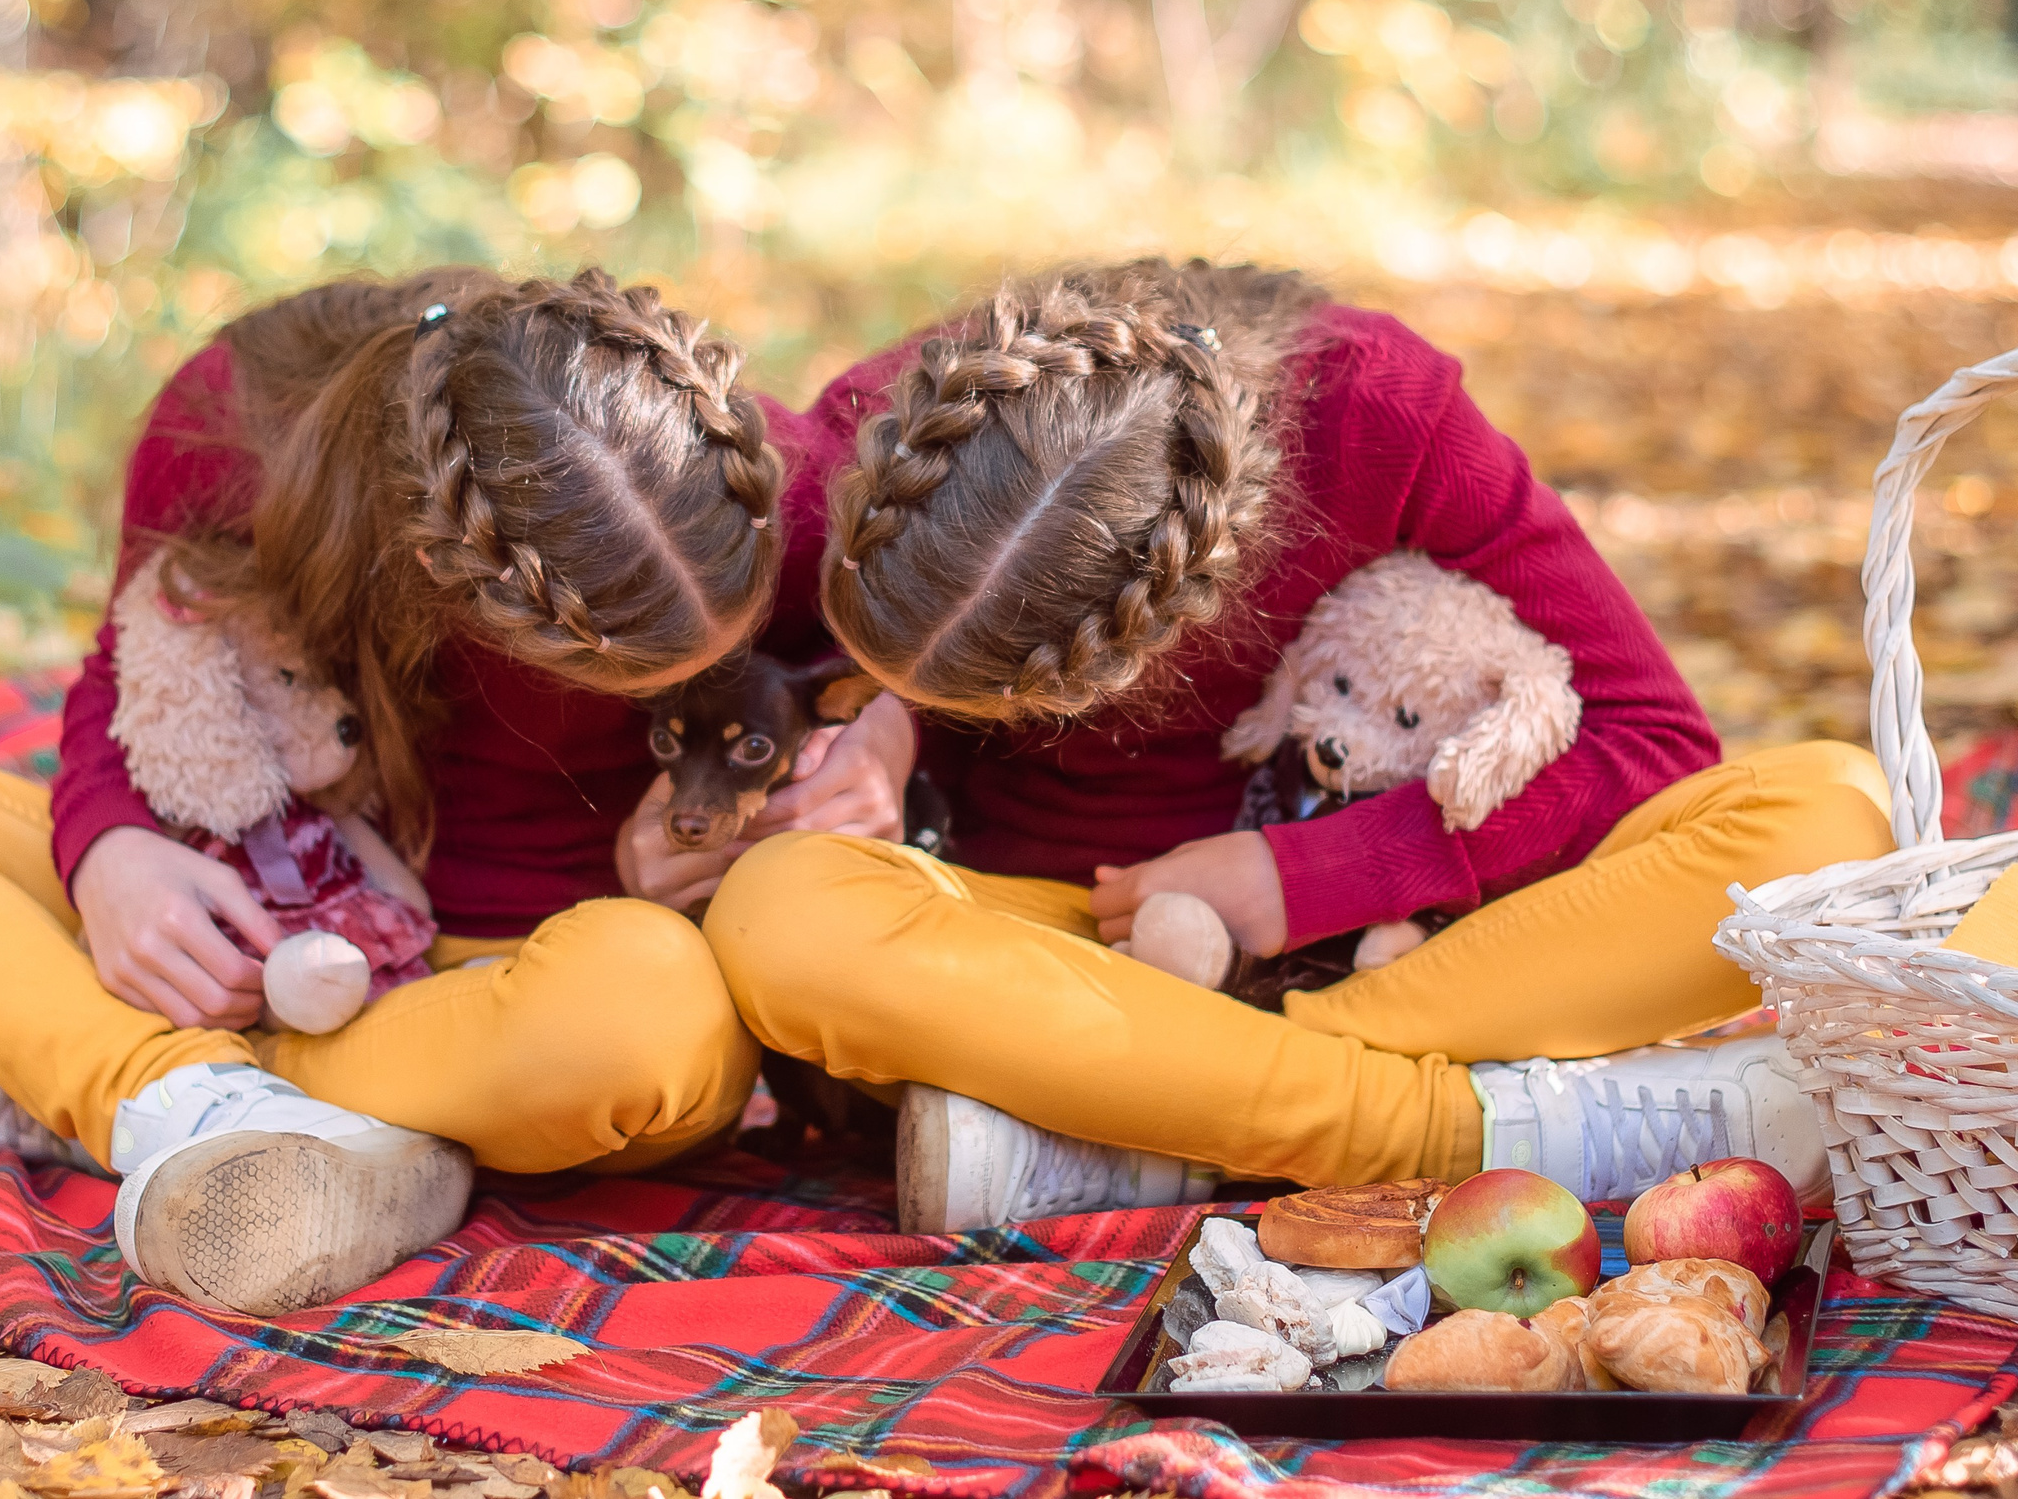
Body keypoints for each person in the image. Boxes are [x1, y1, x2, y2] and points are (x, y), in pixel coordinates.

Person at [0, 268, 911, 1314]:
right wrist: (107, 846)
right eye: (629, 676)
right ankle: (200, 1102)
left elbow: (932, 663)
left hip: (522, 1001)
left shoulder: (753, 482)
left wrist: (877, 743)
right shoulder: (240, 431)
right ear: (441, 575)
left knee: (648, 1016)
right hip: (272, 919)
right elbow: (137, 664)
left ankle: (87, 1072)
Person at [703, 259, 1894, 1232]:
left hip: (1408, 956)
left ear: (1160, 633)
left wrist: (1301, 876)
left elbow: (1652, 739)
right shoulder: (877, 450)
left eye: (987, 704)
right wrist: (864, 732)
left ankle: (1175, 1125)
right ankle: (1473, 1131)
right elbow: (664, 709)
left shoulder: (1375, 409)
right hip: (1075, 962)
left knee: (1832, 815)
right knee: (783, 910)